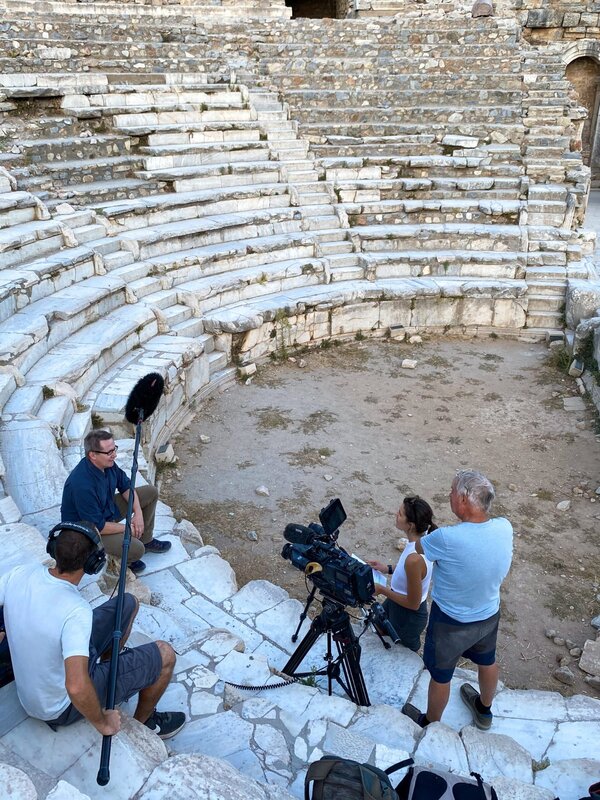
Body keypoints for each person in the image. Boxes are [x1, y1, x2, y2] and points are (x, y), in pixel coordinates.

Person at [0, 521, 186, 739]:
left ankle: (109, 674)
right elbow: (76, 686)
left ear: (53, 547)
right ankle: (145, 722)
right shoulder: (75, 611)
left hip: (38, 689)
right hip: (58, 707)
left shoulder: (19, 573)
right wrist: (104, 723)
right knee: (165, 654)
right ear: (93, 563)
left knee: (128, 603)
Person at [402, 470, 513, 731]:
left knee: (440, 675)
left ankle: (430, 724)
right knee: (487, 660)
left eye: (452, 491)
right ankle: (484, 711)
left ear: (463, 499)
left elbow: (419, 548)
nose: (449, 495)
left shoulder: (446, 538)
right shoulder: (504, 527)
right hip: (488, 614)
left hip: (450, 621)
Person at [61, 429, 170, 575]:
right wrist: (127, 528)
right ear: (93, 455)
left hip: (105, 510)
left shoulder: (107, 464)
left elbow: (126, 487)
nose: (115, 455)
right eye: (109, 452)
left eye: (114, 449)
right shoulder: (82, 485)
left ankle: (146, 539)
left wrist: (137, 513)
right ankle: (127, 558)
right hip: (87, 533)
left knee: (150, 492)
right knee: (137, 550)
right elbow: (97, 526)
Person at [366, 495, 435, 652]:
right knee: (378, 630)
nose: (395, 514)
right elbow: (410, 571)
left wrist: (382, 590)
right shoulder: (422, 542)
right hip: (395, 603)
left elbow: (413, 604)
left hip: (407, 617)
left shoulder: (414, 559)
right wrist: (387, 568)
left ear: (410, 525)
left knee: (401, 653)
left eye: (400, 513)